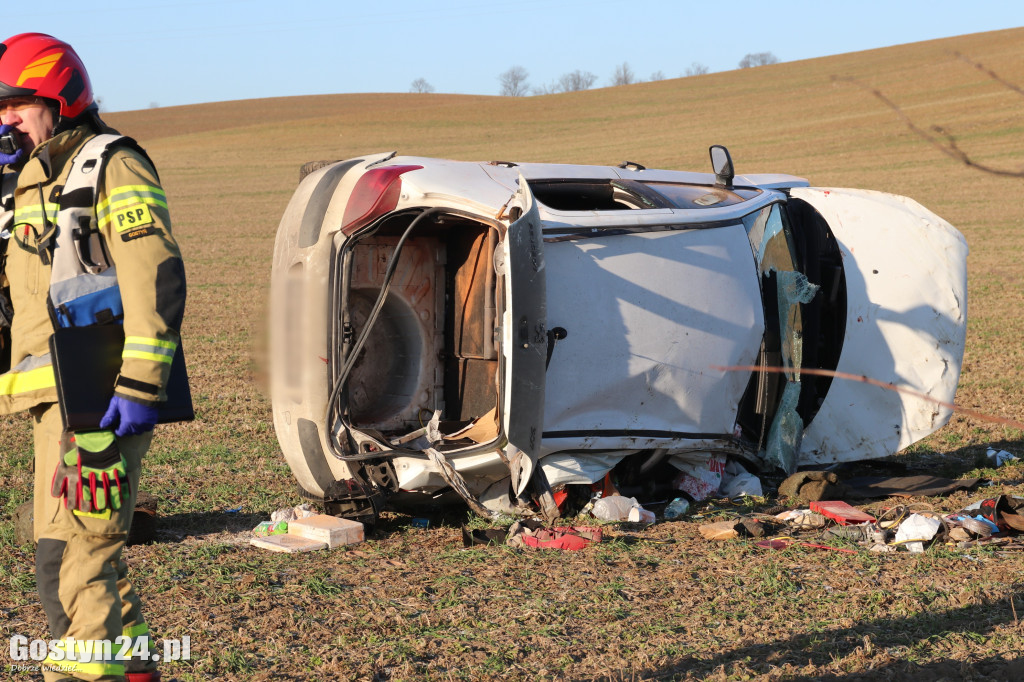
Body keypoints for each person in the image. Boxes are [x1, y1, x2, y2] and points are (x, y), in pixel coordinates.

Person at [0, 33, 186, 682]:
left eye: (18, 105)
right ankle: (133, 669)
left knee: (82, 558)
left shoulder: (112, 163)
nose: (6, 119)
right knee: (60, 559)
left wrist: (138, 385)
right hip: (50, 399)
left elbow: (153, 273)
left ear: (61, 98)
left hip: (99, 399)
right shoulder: (26, 181)